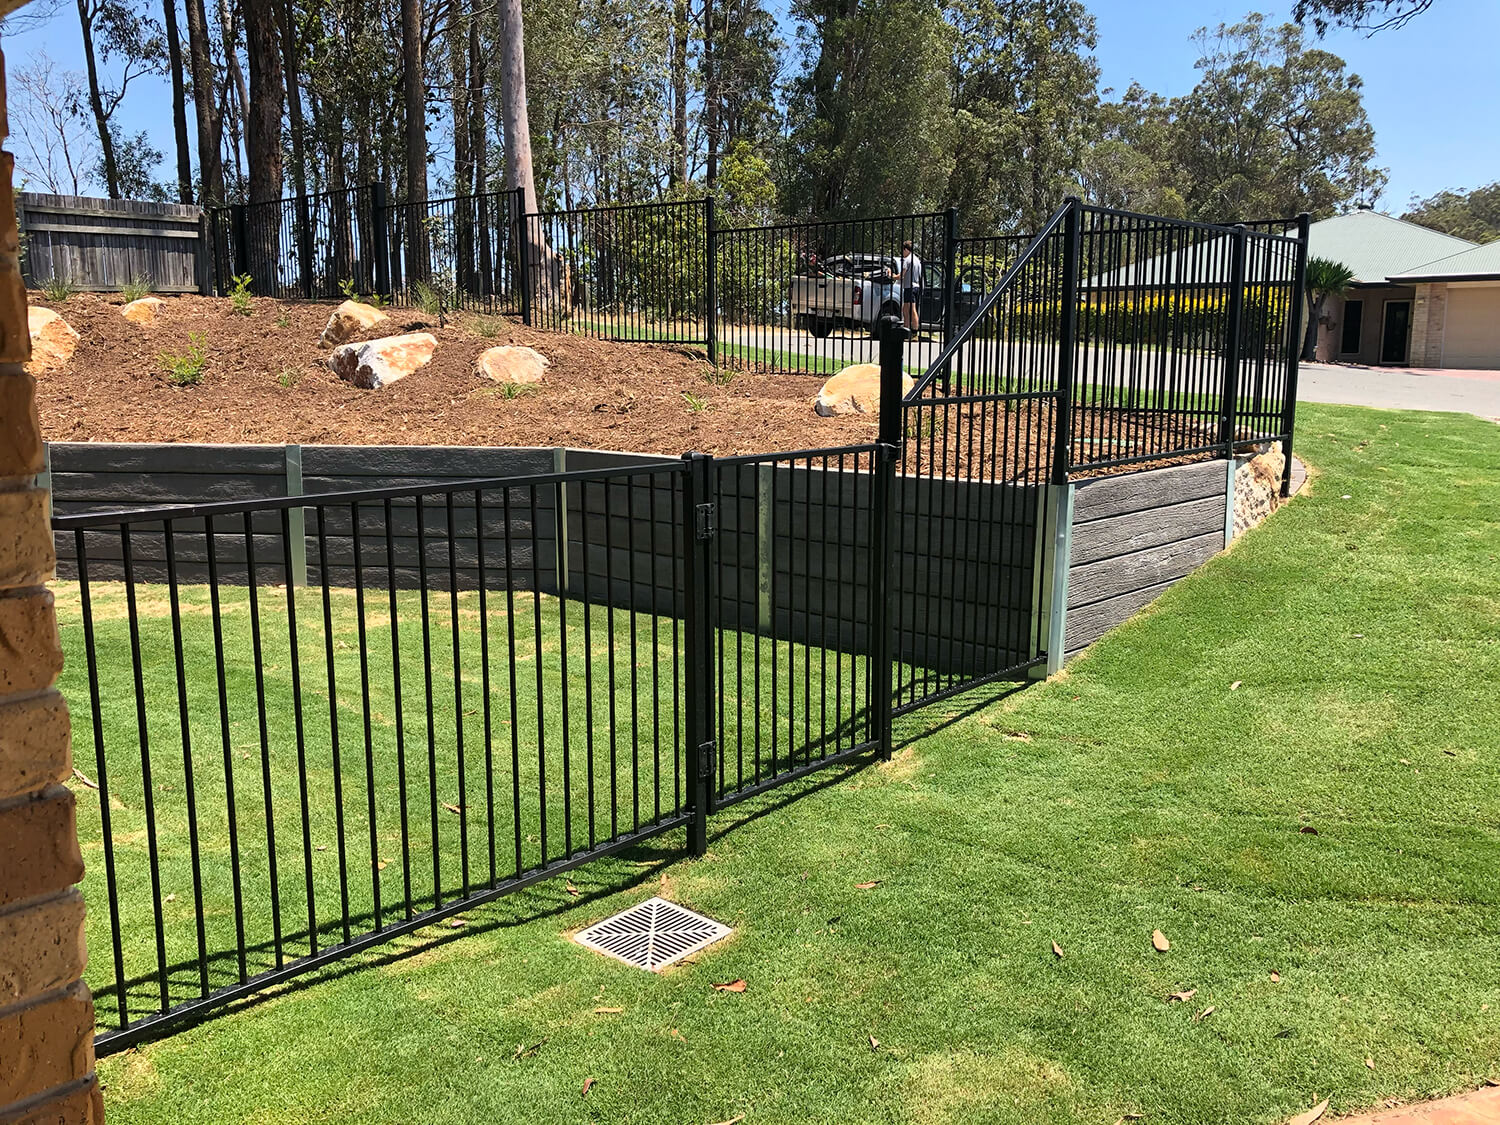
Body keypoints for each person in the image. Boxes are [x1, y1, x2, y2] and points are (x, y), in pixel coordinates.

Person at [896, 240, 923, 336]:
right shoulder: (917, 260)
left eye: (903, 251)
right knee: (905, 309)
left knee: (912, 309)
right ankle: (906, 329)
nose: (902, 253)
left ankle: (915, 332)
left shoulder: (907, 260)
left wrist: (892, 276)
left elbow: (901, 276)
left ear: (906, 249)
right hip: (916, 286)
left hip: (909, 287)